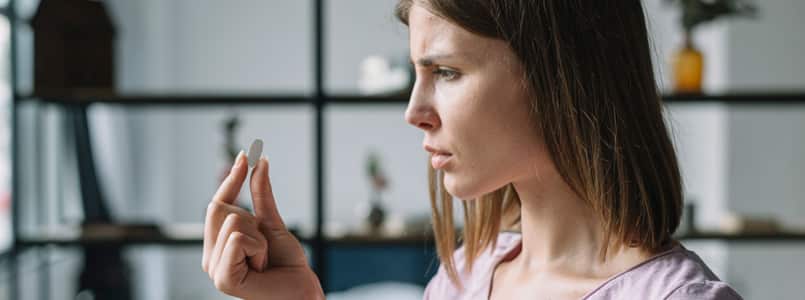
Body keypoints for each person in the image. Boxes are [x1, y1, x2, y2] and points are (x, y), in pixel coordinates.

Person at [202, 0, 743, 299]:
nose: (414, 112)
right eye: (419, 74)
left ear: (561, 75)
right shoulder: (464, 275)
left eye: (447, 71)